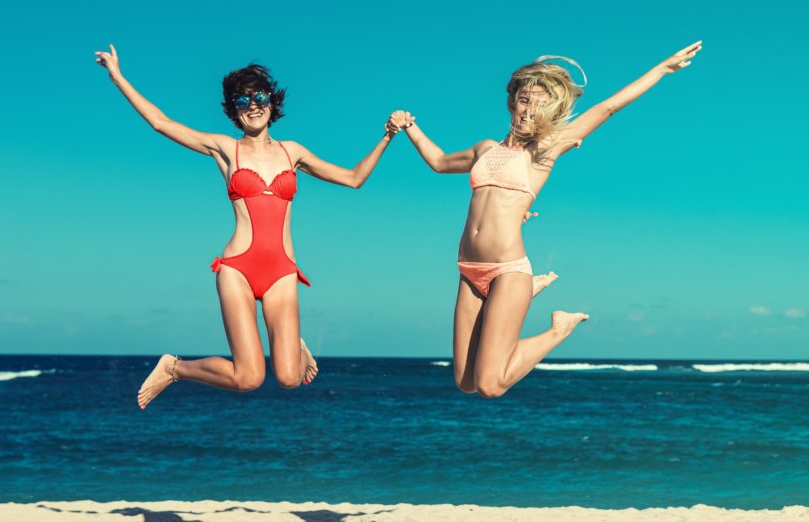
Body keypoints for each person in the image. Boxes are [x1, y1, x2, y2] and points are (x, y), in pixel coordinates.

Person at [388, 42, 702, 398]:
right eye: (524, 100)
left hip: (508, 270)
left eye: (539, 105)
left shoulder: (545, 150)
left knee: (491, 386)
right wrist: (409, 126)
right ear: (512, 101)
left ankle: (558, 328)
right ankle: (525, 296)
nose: (528, 110)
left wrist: (662, 68)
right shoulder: (484, 149)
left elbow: (609, 107)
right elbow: (440, 162)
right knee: (466, 382)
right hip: (469, 269)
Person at [94, 45, 399, 408]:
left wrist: (388, 135)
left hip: (282, 272)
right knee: (248, 378)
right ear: (234, 111)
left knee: (289, 378)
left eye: (258, 97)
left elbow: (353, 178)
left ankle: (293, 341)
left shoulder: (293, 152)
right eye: (242, 101)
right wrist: (118, 77)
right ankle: (175, 368)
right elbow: (162, 123)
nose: (252, 106)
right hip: (238, 267)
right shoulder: (225, 149)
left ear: (271, 101)